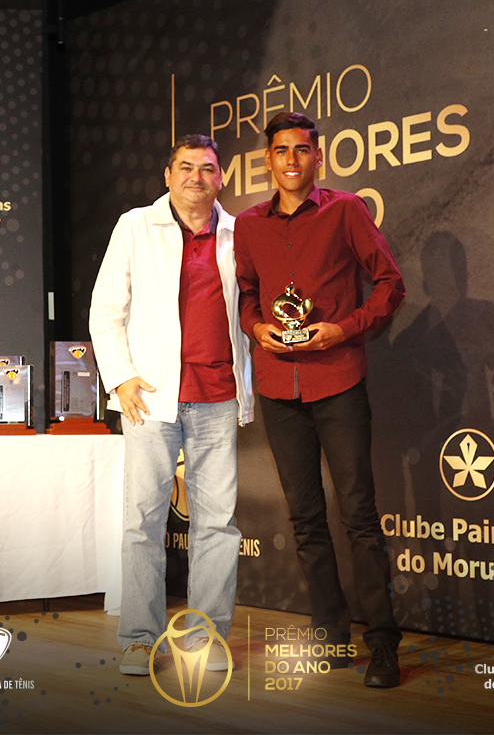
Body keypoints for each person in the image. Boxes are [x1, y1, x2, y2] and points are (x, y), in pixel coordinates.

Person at [234, 112, 405, 688]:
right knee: (306, 519)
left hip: (338, 379)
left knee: (359, 517)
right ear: (268, 160)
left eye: (301, 150)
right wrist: (257, 328)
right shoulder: (249, 226)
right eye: (281, 150)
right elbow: (248, 296)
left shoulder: (346, 210)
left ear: (317, 158)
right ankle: (331, 635)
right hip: (278, 387)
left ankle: (382, 644)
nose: (291, 160)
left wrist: (344, 329)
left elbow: (391, 284)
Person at [89, 134, 254, 676]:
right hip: (150, 400)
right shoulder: (135, 225)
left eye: (206, 168)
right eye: (185, 167)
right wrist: (121, 378)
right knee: (142, 522)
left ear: (221, 178)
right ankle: (140, 639)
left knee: (218, 524)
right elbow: (105, 310)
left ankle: (206, 636)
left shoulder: (239, 233)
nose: (195, 177)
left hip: (218, 398)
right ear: (167, 175)